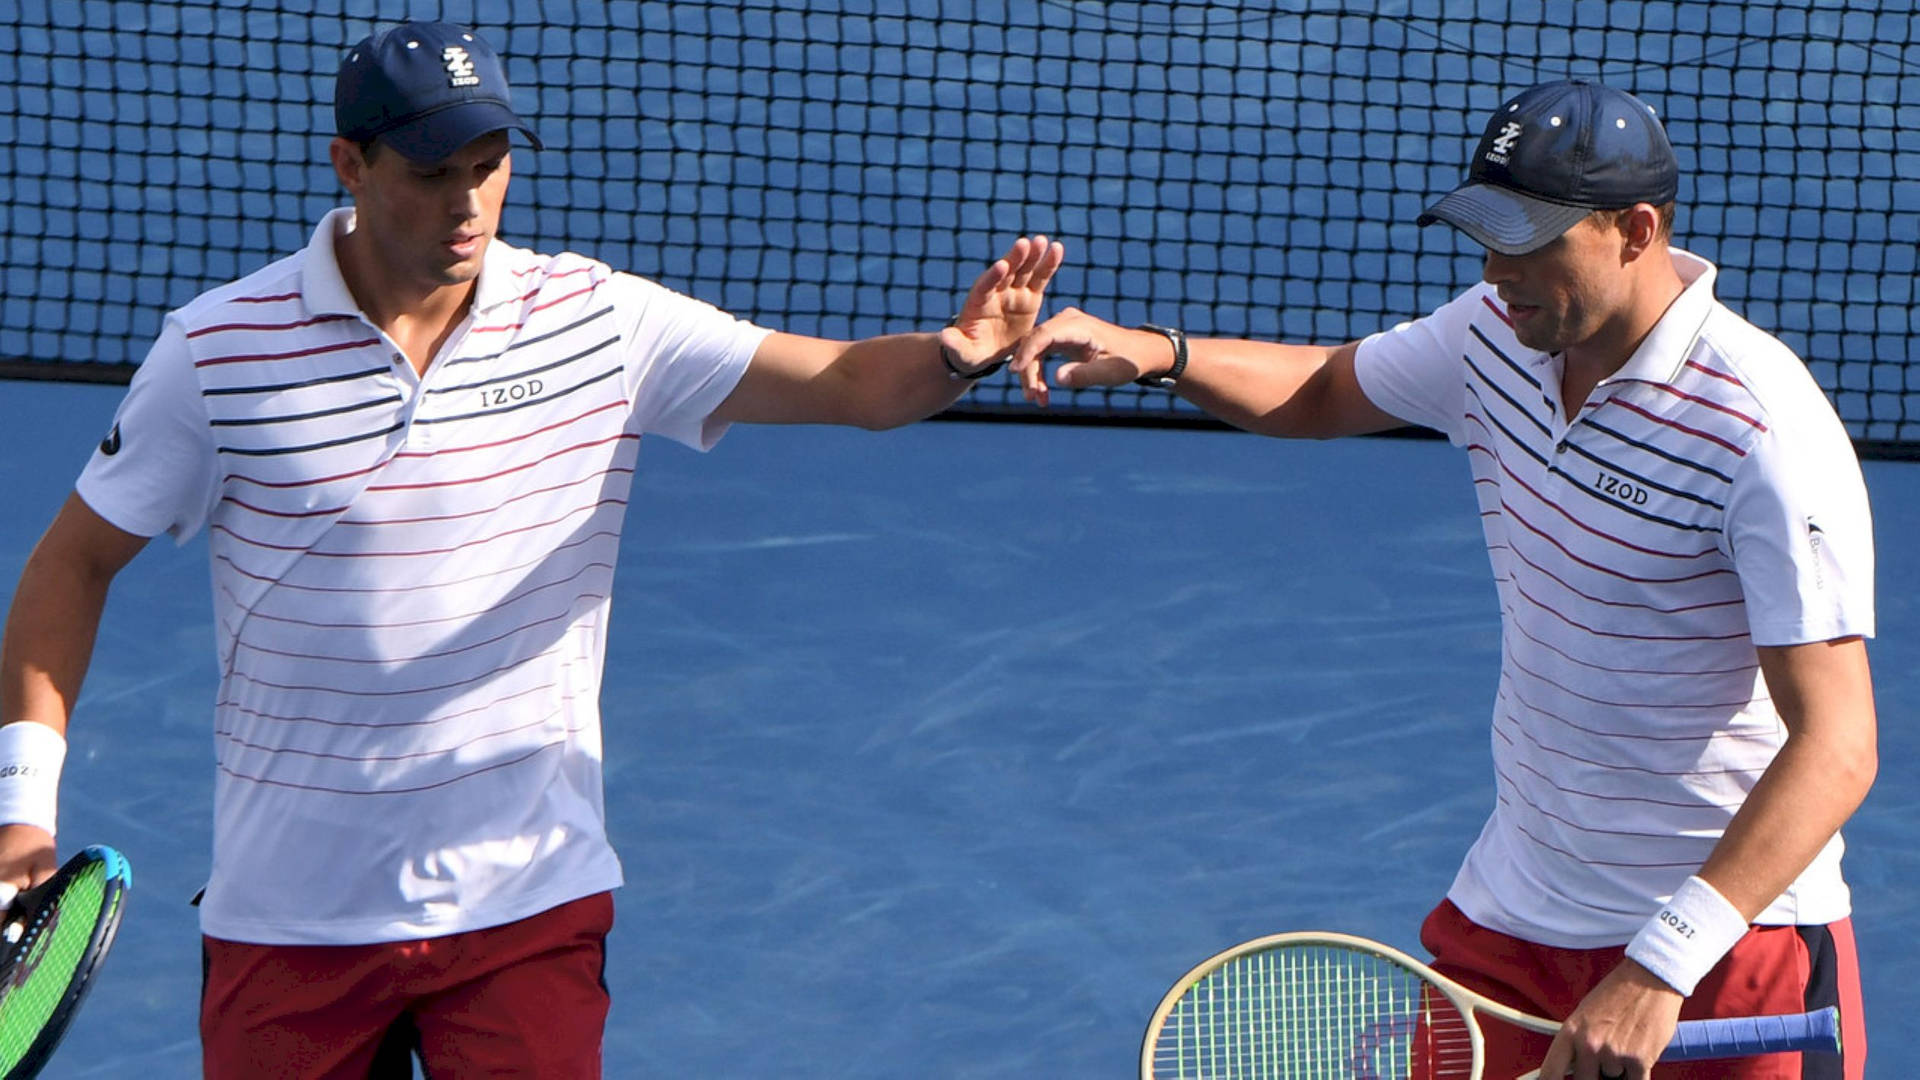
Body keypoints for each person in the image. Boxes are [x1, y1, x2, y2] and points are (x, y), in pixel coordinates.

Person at [0, 20, 1062, 1078]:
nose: (468, 201)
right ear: (349, 165)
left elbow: (847, 386)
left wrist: (954, 355)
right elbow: (72, 562)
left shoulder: (598, 322)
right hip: (292, 918)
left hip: (525, 904)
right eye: (431, 171)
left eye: (489, 165)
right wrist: (19, 812)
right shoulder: (218, 353)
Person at [1009, 80, 1874, 1079]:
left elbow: (1840, 744)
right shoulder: (1495, 335)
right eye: (1486, 236)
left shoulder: (1762, 433)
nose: (1497, 269)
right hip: (1519, 919)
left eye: (1529, 239)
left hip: (1725, 942)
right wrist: (1165, 354)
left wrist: (1658, 966)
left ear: (1635, 230)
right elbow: (1331, 388)